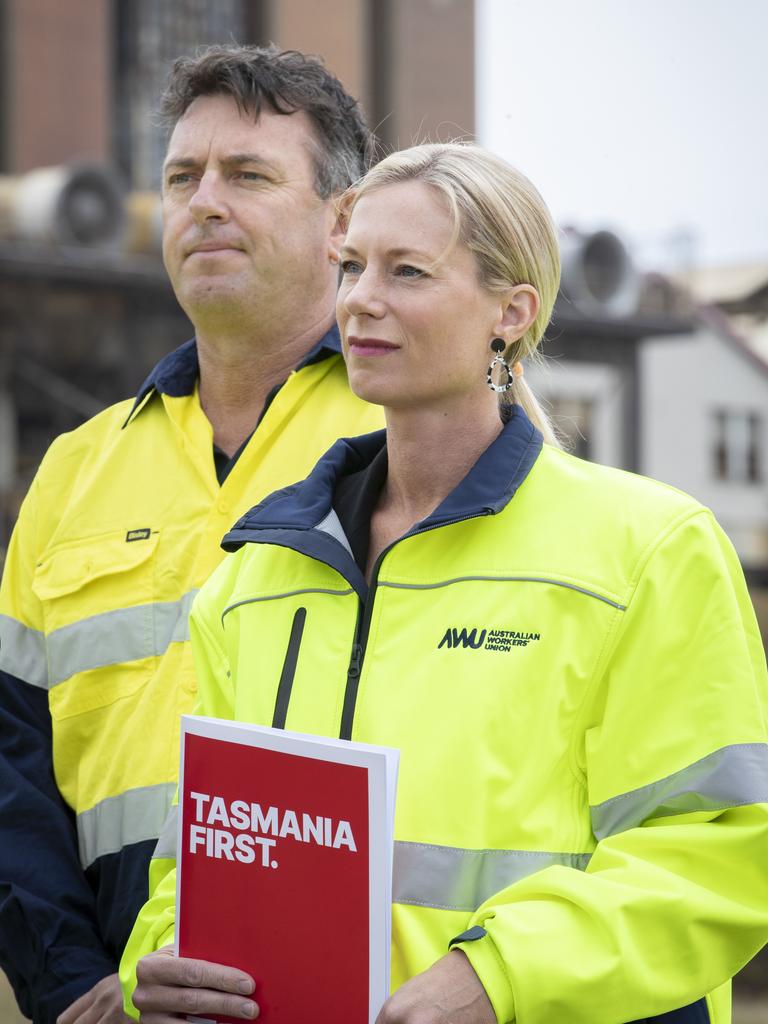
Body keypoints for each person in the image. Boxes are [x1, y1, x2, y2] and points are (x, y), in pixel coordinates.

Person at [122, 143, 768, 1024]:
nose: (360, 300)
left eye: (408, 271)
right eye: (349, 266)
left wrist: (497, 976)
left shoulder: (649, 550)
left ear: (511, 311)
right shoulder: (256, 579)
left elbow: (717, 854)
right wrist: (159, 961)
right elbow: (196, 860)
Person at [0, 44, 384, 1024]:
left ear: (344, 221)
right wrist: (76, 987)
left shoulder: (412, 434)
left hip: (352, 988)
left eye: (248, 175)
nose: (203, 202)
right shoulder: (79, 465)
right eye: (182, 178)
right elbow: (11, 759)